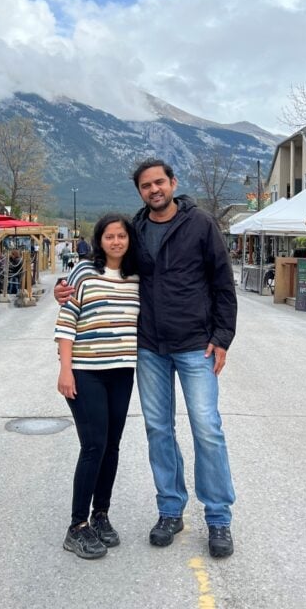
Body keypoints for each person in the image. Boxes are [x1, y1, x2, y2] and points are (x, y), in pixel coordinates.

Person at [55, 158, 237, 559]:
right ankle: (170, 510)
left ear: (173, 183)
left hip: (195, 345)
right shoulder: (135, 229)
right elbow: (105, 265)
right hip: (150, 347)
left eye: (159, 182)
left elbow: (223, 282)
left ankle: (219, 517)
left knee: (207, 427)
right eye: (145, 185)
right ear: (139, 191)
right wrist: (63, 286)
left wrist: (222, 337)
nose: (154, 190)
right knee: (159, 429)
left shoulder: (201, 224)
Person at [55, 214, 140, 559]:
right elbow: (66, 320)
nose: (116, 241)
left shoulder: (136, 278)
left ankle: (100, 514)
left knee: (113, 446)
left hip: (122, 372)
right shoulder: (84, 273)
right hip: (86, 371)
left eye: (121, 236)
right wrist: (65, 370)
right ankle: (76, 527)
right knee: (94, 445)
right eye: (109, 236)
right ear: (100, 240)